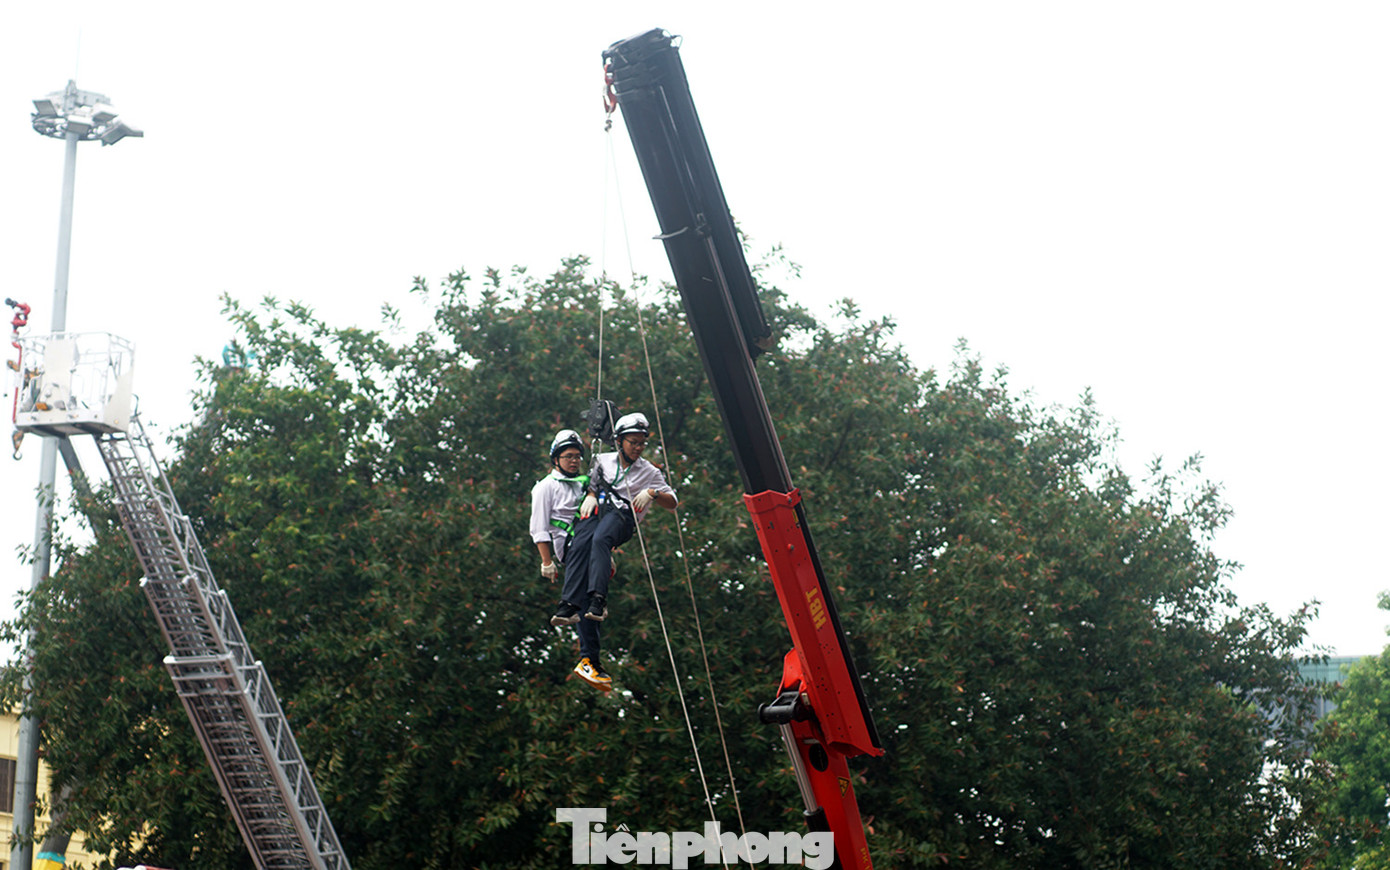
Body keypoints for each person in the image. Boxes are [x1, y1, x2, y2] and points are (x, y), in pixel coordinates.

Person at [550, 412, 677, 691]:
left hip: (619, 519)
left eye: (642, 442)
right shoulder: (600, 463)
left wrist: (653, 493)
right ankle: (571, 607)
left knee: (598, 540)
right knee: (582, 545)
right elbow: (591, 486)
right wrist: (592, 496)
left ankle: (598, 599)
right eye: (633, 442)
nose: (639, 447)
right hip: (593, 519)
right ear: (619, 441)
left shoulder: (649, 472)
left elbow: (673, 501)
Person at [529, 430, 588, 580]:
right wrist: (547, 562)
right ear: (556, 459)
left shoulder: (579, 484)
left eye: (577, 457)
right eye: (568, 456)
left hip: (588, 541)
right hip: (569, 545)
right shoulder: (546, 486)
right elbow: (538, 527)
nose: (574, 461)